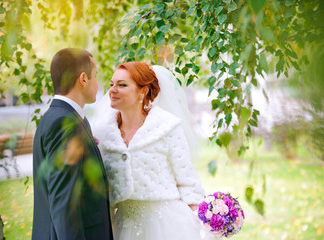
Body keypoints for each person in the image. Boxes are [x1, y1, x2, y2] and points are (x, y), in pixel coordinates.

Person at [92, 62, 214, 240]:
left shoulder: (167, 127)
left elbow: (188, 181)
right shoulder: (102, 134)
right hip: (123, 226)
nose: (112, 90)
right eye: (112, 84)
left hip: (168, 226)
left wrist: (206, 225)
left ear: (143, 91)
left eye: (122, 85)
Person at [32, 48, 113, 240]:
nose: (98, 83)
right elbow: (64, 205)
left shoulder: (62, 117)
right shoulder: (64, 124)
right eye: (95, 76)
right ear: (83, 79)